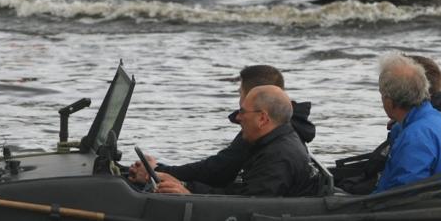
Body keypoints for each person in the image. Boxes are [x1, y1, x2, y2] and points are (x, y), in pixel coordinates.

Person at [127, 65, 315, 189]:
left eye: (241, 97)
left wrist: (169, 178)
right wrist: (166, 174)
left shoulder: (276, 150)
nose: (237, 117)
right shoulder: (276, 133)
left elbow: (222, 175)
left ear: (262, 113)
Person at [152, 85, 317, 197]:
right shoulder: (269, 141)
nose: (237, 117)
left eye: (243, 112)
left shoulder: (278, 157)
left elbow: (245, 206)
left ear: (262, 119)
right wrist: (184, 185)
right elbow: (237, 190)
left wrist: (188, 192)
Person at [373, 53, 441, 193]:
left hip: (430, 209)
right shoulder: (438, 119)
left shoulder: (415, 137)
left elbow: (400, 197)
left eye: (382, 93)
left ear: (389, 101)